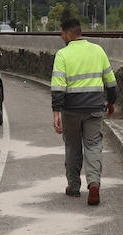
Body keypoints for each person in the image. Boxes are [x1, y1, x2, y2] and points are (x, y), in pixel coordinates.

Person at [50, 17, 117, 205]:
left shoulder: (62, 55)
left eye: (62, 33)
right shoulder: (98, 50)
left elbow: (58, 86)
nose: (61, 37)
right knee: (94, 145)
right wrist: (111, 102)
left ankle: (73, 187)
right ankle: (94, 183)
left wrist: (56, 112)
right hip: (95, 108)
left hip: (70, 110)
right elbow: (111, 82)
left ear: (69, 33)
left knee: (72, 146)